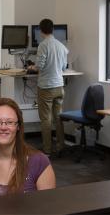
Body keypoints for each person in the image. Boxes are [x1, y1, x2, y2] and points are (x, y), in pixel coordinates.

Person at [0, 98, 56, 198]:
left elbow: (48, 208)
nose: (3, 127)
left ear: (18, 127)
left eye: (9, 122)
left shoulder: (39, 162)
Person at [28, 18, 69, 156]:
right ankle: (61, 146)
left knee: (46, 119)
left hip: (46, 87)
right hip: (59, 87)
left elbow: (39, 65)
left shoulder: (43, 45)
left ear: (41, 31)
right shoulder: (61, 46)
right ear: (53, 30)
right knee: (57, 117)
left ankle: (47, 150)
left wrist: (32, 67)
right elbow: (63, 67)